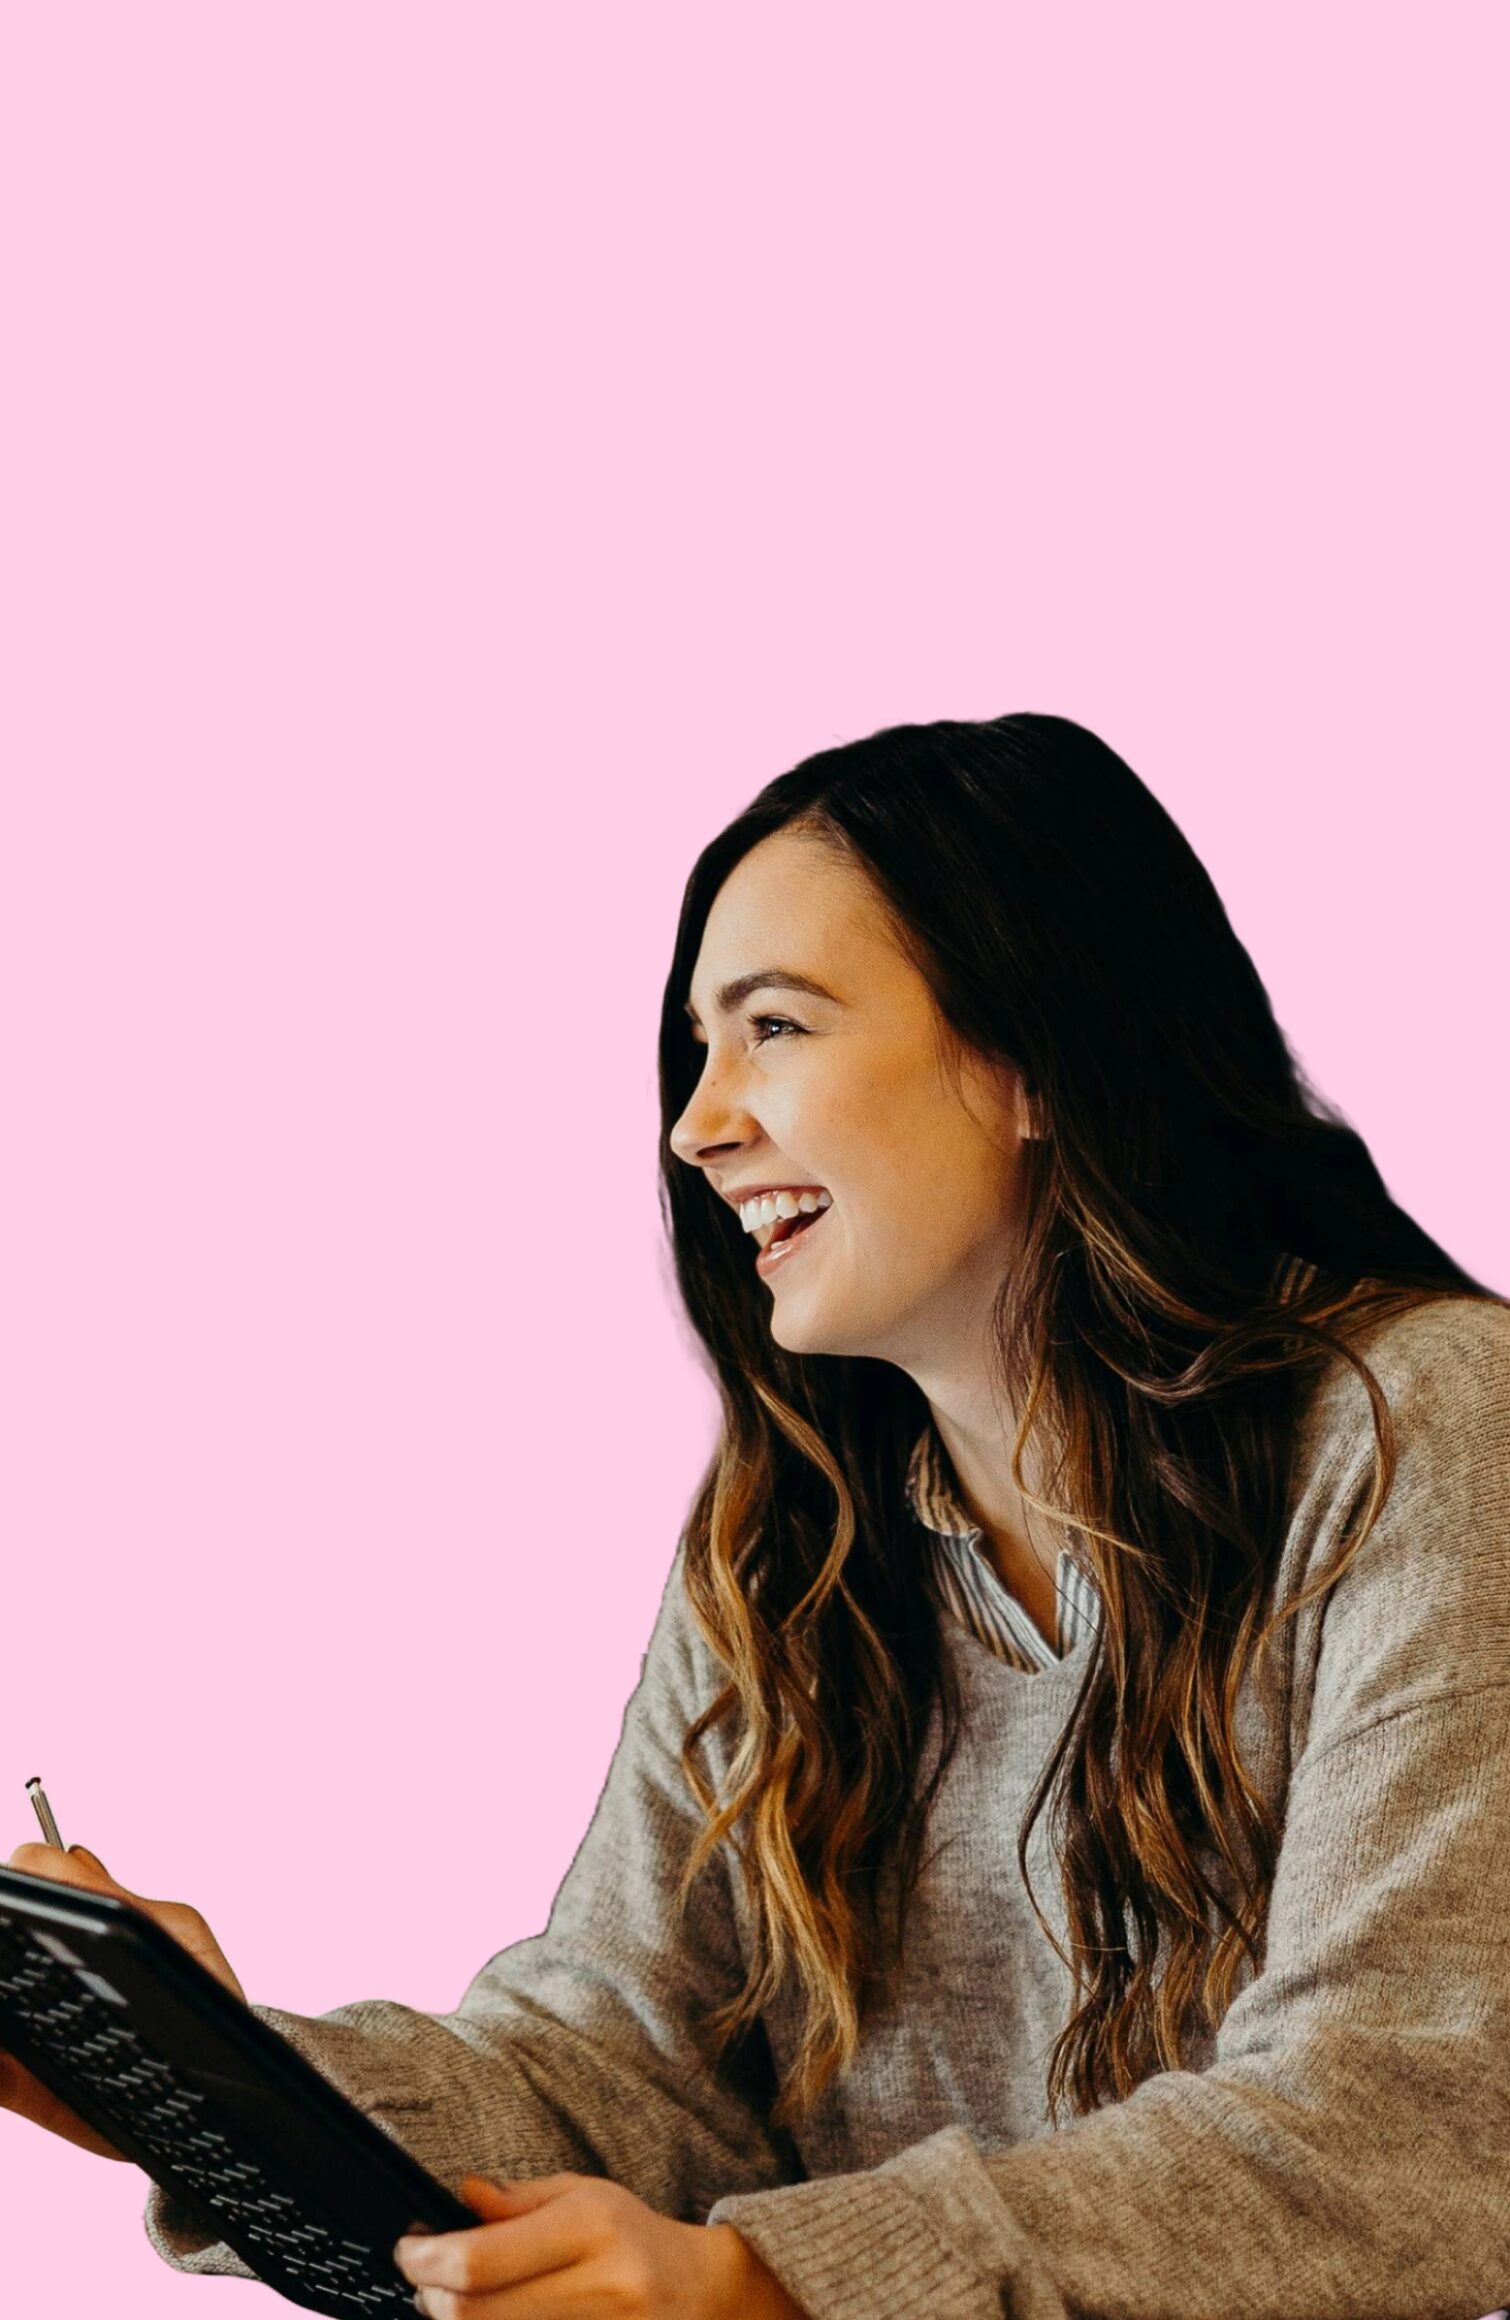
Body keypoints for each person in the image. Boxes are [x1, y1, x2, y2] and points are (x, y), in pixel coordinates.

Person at [7, 710, 1510, 2320]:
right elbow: (620, 2070)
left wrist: (767, 2285)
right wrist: (209, 2078)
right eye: (696, 1049)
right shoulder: (788, 1541)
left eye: (773, 1027)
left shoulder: (1424, 1424)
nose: (697, 1123)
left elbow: (1411, 2120)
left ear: (1032, 1060)